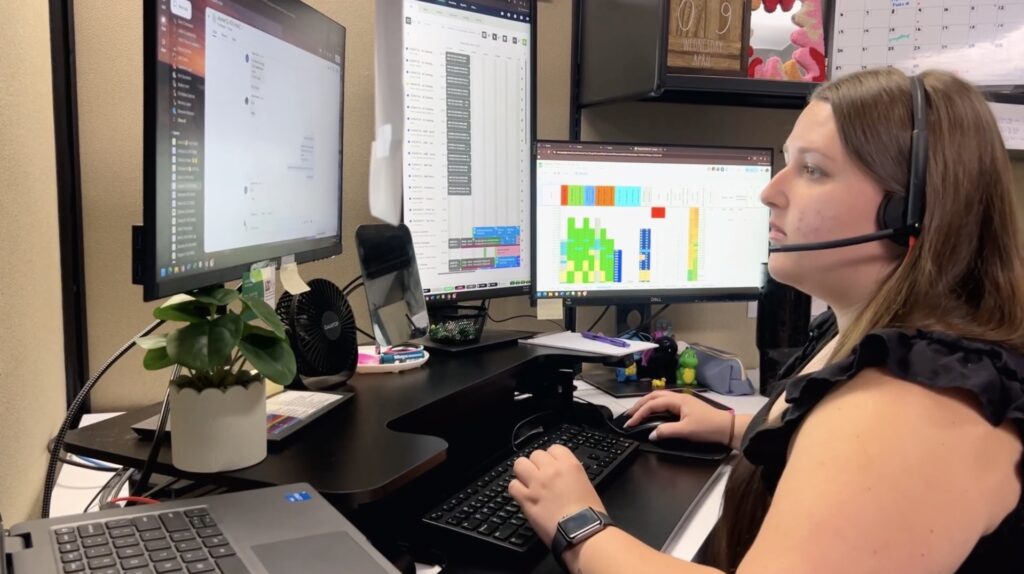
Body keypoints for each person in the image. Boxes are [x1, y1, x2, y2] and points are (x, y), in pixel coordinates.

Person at [508, 67, 1024, 573]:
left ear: (906, 211)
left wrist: (578, 525)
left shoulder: (909, 406)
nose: (769, 192)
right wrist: (736, 427)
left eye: (813, 169)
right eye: (787, 163)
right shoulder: (873, 334)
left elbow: (868, 450)